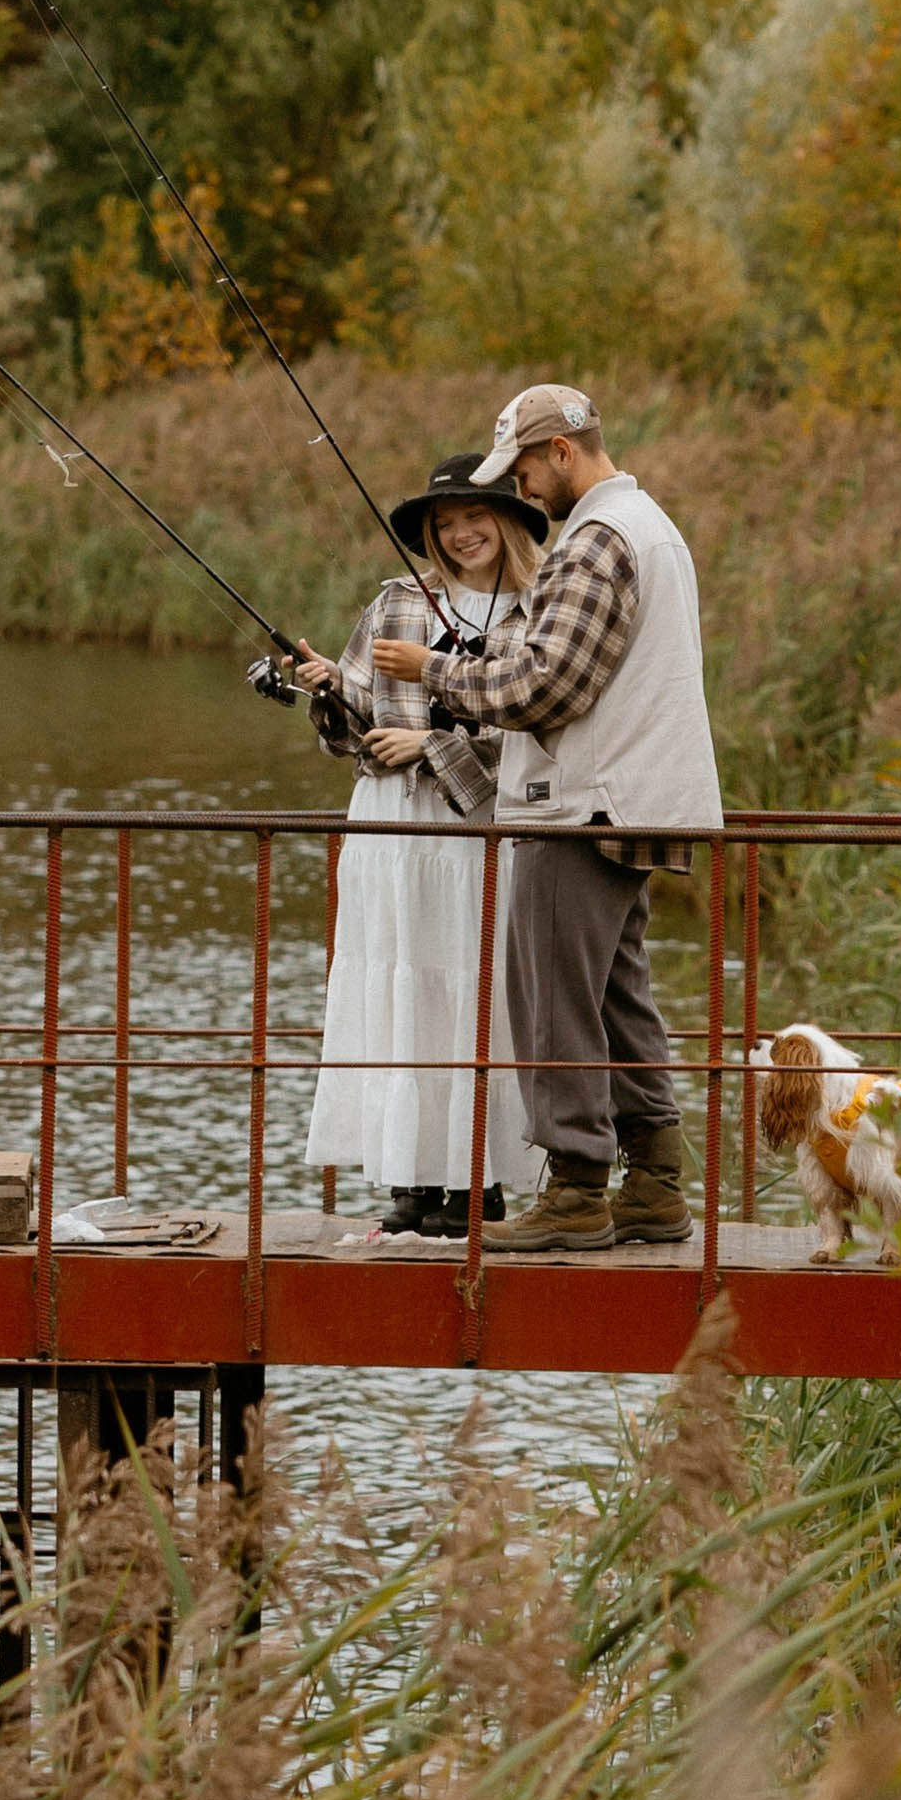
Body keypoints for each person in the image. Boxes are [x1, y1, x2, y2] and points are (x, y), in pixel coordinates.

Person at [370, 384, 722, 1256]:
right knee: (615, 996)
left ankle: (574, 1189)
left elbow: (544, 687)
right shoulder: (652, 529)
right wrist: (474, 655)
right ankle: (652, 1184)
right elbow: (563, 658)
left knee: (552, 999)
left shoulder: (596, 540)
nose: (521, 493)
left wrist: (433, 673)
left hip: (581, 805)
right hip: (636, 796)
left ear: (563, 453)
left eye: (524, 473)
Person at [292, 454, 544, 1236]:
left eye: (474, 516)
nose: (460, 533)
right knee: (395, 991)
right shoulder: (397, 601)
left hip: (471, 833)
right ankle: (408, 1178)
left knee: (467, 993)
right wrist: (329, 691)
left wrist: (430, 745)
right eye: (444, 524)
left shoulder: (532, 615)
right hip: (386, 826)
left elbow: (535, 736)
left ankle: (478, 1181)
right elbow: (354, 730)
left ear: (505, 520)